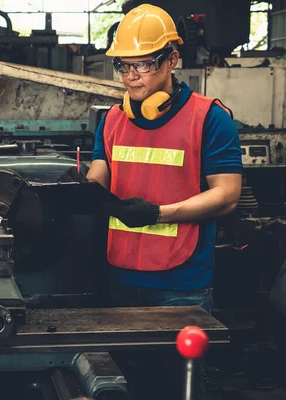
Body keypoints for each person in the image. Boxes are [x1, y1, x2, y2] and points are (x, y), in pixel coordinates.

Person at [65, 4, 242, 398]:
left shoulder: (209, 118)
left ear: (172, 59)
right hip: (121, 278)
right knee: (125, 386)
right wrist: (80, 189)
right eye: (124, 66)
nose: (131, 77)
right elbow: (100, 173)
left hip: (182, 283)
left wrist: (160, 213)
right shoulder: (113, 119)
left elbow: (228, 195)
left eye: (142, 65)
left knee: (178, 388)